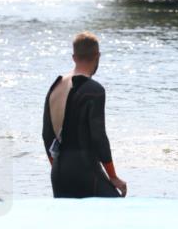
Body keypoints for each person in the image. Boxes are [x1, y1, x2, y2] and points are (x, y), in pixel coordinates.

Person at [42, 32, 127, 200]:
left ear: (74, 57)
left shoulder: (55, 87)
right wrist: (113, 176)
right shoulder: (94, 90)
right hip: (85, 171)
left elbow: (46, 135)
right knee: (117, 211)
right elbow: (99, 137)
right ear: (97, 56)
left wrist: (59, 167)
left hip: (58, 173)